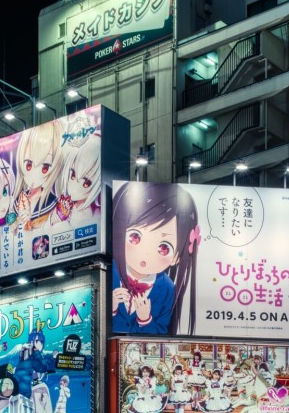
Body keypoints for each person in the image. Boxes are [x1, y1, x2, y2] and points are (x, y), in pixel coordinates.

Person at [112, 181, 201, 335]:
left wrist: (145, 319)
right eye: (135, 237)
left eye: (164, 247)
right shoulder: (110, 272)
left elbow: (161, 331)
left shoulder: (167, 288)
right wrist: (112, 307)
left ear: (176, 257)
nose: (146, 253)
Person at [13, 121, 65, 232]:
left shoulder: (52, 203)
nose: (35, 174)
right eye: (28, 165)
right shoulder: (17, 202)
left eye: (45, 167)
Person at [51, 130, 102, 228]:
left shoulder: (96, 217)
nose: (75, 185)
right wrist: (52, 222)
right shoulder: (62, 205)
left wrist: (60, 226)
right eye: (73, 174)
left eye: (86, 182)